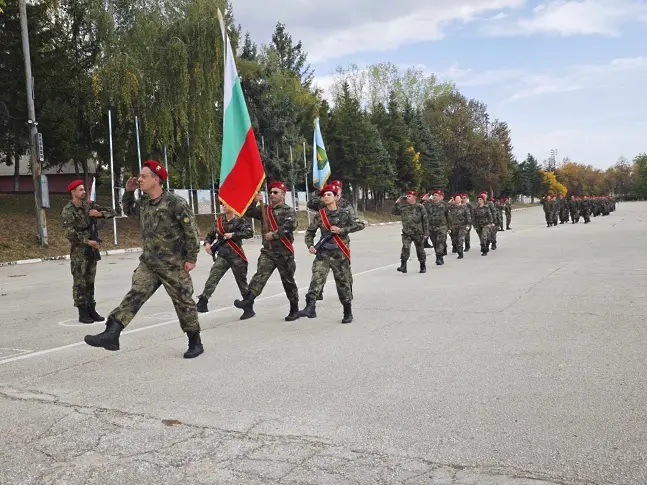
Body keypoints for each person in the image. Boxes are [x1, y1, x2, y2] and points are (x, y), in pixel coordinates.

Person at [84, 160, 204, 359]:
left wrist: (191, 258)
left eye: (144, 176)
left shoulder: (175, 203)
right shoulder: (145, 203)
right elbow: (129, 210)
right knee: (135, 294)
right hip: (149, 263)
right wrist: (129, 191)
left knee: (183, 302)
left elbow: (192, 231)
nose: (139, 179)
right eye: (139, 176)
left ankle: (195, 341)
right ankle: (112, 334)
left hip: (173, 264)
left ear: (156, 179)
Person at [234, 181, 300, 321]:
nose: (272, 195)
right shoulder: (265, 209)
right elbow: (248, 212)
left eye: (276, 192)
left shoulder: (288, 210)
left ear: (283, 195)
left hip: (284, 252)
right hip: (268, 252)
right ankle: (249, 301)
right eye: (270, 192)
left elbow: (291, 225)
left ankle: (294, 308)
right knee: (260, 276)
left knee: (288, 281)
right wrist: (254, 201)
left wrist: (274, 235)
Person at [299, 184, 365, 323]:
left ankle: (347, 311)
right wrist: (310, 245)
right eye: (324, 195)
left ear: (336, 197)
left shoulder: (345, 213)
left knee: (343, 283)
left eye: (329, 194)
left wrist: (342, 230)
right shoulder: (320, 215)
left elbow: (360, 225)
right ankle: (310, 307)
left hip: (340, 254)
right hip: (323, 253)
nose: (326, 197)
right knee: (316, 278)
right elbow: (310, 232)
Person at [61, 180, 116, 323]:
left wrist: (98, 214)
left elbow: (112, 212)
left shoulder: (89, 206)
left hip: (91, 250)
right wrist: (87, 241)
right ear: (73, 192)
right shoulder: (68, 210)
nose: (84, 192)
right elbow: (69, 233)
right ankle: (82, 312)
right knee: (80, 281)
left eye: (84, 189)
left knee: (90, 280)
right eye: (80, 190)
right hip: (79, 250)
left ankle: (92, 309)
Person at [196, 202, 253, 317]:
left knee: (242, 282)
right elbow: (210, 235)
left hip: (236, 255)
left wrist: (233, 235)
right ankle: (203, 301)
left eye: (227, 203)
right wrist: (207, 244)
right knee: (213, 276)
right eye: (222, 204)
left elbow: (249, 232)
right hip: (223, 255)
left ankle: (248, 308)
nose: (224, 206)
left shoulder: (239, 221)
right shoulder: (219, 221)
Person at [392, 190, 428, 274]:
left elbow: (425, 220)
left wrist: (426, 232)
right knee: (405, 247)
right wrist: (397, 203)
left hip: (418, 232)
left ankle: (422, 265)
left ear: (414, 198)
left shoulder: (420, 207)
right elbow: (394, 212)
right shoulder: (404, 207)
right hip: (406, 232)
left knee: (420, 250)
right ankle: (403, 266)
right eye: (407, 196)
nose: (407, 197)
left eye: (409, 196)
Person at [422, 190, 449, 265]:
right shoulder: (428, 204)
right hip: (431, 227)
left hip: (441, 227)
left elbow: (448, 216)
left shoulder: (444, 205)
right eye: (433, 195)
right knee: (434, 243)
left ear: (440, 197)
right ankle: (439, 254)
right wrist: (423, 200)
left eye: (436, 195)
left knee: (439, 241)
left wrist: (449, 227)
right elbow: (419, 208)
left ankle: (439, 257)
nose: (434, 196)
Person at [448, 194, 470, 259]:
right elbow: (445, 208)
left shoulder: (464, 207)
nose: (457, 199)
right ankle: (457, 248)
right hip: (454, 226)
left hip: (462, 226)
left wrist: (468, 225)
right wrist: (450, 202)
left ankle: (460, 252)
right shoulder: (452, 207)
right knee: (455, 240)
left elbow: (468, 217)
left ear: (461, 199)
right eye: (456, 198)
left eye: (458, 198)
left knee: (461, 239)